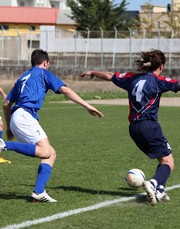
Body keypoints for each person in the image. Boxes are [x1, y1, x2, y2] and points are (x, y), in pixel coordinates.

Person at [80, 49, 180, 206]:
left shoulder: (131, 78)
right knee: (168, 163)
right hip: (149, 126)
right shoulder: (159, 81)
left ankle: (160, 190)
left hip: (134, 128)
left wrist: (93, 72)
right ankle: (153, 184)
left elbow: (110, 76)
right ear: (161, 66)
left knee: (163, 158)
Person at [1, 48, 104, 202]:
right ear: (45, 63)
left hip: (18, 117)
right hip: (25, 115)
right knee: (44, 151)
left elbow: (6, 104)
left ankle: (38, 192)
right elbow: (65, 90)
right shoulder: (43, 73)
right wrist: (87, 105)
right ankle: (4, 145)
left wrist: (10, 127)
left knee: (51, 154)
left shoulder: (22, 77)